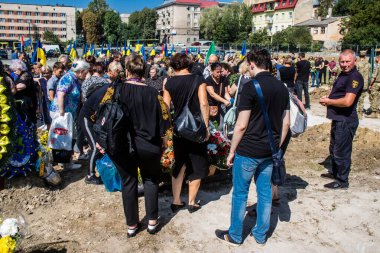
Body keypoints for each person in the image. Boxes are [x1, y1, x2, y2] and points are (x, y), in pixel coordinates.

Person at [215, 49, 290, 246]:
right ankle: (260, 235)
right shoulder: (282, 88)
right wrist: (276, 146)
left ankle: (235, 235)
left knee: (240, 193)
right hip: (269, 150)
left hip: (248, 149)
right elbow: (286, 123)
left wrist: (231, 151)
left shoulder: (250, 86)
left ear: (252, 64)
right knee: (265, 193)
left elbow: (241, 124)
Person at [98, 55, 170, 237]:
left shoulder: (115, 90)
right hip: (149, 145)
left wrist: (100, 141)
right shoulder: (154, 93)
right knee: (151, 180)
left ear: (127, 71)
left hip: (121, 145)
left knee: (128, 182)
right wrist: (162, 140)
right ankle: (152, 222)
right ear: (144, 72)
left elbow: (101, 112)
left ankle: (131, 225)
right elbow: (166, 119)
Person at [163, 53, 210, 214]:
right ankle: (191, 202)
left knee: (179, 165)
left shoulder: (169, 82)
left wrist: (168, 127)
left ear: (174, 66)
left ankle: (176, 201)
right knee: (197, 164)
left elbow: (166, 107)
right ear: (188, 64)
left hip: (178, 129)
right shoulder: (198, 79)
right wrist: (206, 126)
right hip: (196, 128)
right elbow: (204, 103)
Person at [320, 49, 363, 189]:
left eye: (347, 61)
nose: (344, 64)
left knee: (341, 151)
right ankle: (335, 172)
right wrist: (328, 98)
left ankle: (342, 181)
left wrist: (329, 101)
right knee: (334, 147)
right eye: (342, 62)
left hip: (346, 119)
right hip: (338, 118)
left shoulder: (354, 77)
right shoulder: (343, 74)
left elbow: (347, 102)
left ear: (354, 61)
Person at [80, 61, 123, 185]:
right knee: (94, 147)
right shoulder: (108, 89)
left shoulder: (113, 86)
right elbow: (100, 110)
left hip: (95, 118)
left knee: (100, 146)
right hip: (86, 117)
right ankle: (89, 175)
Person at [50, 60, 90, 170]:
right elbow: (60, 95)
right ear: (81, 71)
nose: (86, 75)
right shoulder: (68, 78)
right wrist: (62, 113)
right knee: (66, 137)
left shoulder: (75, 78)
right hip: (62, 113)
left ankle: (66, 161)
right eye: (85, 73)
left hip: (68, 113)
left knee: (68, 137)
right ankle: (66, 163)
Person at [12, 60, 38, 125]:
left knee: (28, 120)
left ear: (19, 68)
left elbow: (22, 86)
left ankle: (31, 133)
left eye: (15, 70)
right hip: (23, 101)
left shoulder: (26, 74)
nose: (14, 72)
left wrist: (11, 89)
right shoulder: (21, 75)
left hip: (27, 102)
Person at [205, 62, 231, 128]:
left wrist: (230, 100)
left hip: (221, 105)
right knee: (210, 126)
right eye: (217, 72)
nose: (219, 74)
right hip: (210, 105)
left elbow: (225, 93)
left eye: (220, 72)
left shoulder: (224, 79)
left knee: (222, 125)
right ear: (212, 71)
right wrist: (224, 101)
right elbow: (212, 94)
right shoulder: (208, 80)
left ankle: (221, 137)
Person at [356, 51, 371, 119]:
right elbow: (369, 76)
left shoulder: (357, 64)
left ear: (359, 56)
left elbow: (355, 74)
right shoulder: (369, 64)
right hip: (365, 84)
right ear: (365, 56)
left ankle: (355, 113)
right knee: (362, 98)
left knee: (356, 98)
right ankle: (360, 114)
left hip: (358, 83)